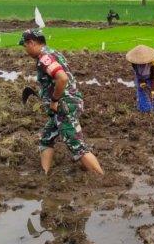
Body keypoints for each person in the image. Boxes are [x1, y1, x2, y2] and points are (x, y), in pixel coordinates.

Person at [19, 28, 103, 175]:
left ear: (31, 43)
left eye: (25, 46)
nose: (25, 50)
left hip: (63, 106)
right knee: (46, 138)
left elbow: (62, 78)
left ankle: (101, 178)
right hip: (66, 104)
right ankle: (44, 174)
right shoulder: (53, 53)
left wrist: (54, 101)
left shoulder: (45, 58)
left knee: (76, 146)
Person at [125, 44, 154, 114]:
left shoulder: (153, 63)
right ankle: (144, 109)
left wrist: (153, 91)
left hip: (152, 76)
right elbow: (137, 72)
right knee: (141, 91)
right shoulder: (134, 62)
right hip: (141, 76)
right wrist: (141, 81)